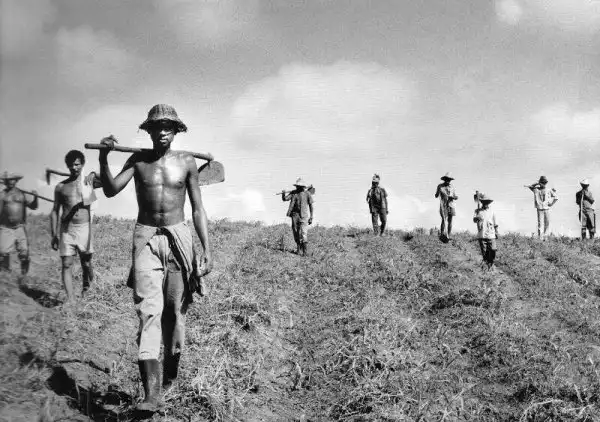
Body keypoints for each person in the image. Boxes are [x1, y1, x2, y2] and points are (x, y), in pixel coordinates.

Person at [98, 104, 212, 414]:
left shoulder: (186, 162)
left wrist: (207, 248)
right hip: (146, 238)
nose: (162, 131)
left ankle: (170, 374)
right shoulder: (137, 161)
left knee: (173, 314)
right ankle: (151, 395)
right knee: (149, 312)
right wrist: (103, 158)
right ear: (148, 131)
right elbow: (110, 190)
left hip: (178, 238)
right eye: (157, 126)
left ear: (176, 131)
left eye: (168, 126)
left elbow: (198, 208)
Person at [50, 151, 101, 302]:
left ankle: (87, 289)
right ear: (67, 165)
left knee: (86, 262)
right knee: (66, 263)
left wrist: (94, 174)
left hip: (84, 227)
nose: (74, 167)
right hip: (67, 229)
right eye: (71, 165)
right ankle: (71, 300)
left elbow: (107, 181)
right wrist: (54, 234)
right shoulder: (61, 187)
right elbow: (54, 211)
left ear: (82, 164)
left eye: (77, 164)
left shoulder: (88, 183)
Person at [0, 172, 38, 274]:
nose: (10, 182)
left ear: (16, 181)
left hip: (20, 228)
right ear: (5, 182)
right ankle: (5, 275)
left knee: (24, 253)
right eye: (8, 180)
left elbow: (34, 206)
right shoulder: (2, 194)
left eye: (12, 179)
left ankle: (24, 276)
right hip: (6, 228)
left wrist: (36, 197)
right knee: (3, 253)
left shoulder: (22, 194)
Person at [282, 178, 314, 256]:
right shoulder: (293, 193)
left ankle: (305, 252)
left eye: (299, 186)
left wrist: (311, 217)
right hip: (295, 215)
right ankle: (299, 248)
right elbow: (285, 199)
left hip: (304, 216)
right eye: (297, 186)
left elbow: (311, 205)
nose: (298, 187)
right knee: (295, 231)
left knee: (304, 233)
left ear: (302, 187)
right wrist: (283, 193)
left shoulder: (307, 194)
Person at [526, 176, 558, 241]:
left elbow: (556, 197)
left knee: (547, 223)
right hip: (539, 209)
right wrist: (537, 183)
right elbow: (530, 186)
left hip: (546, 208)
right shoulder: (536, 189)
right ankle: (540, 238)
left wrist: (551, 204)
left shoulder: (549, 190)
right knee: (540, 224)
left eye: (544, 183)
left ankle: (545, 237)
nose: (543, 184)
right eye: (542, 182)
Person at [473, 193, 499, 271]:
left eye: (487, 202)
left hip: (491, 234)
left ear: (489, 203)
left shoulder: (492, 211)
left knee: (493, 249)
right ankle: (487, 268)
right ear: (482, 202)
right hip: (482, 234)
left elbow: (495, 223)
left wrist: (496, 232)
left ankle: (491, 263)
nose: (486, 203)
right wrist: (477, 218)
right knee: (485, 253)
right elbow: (474, 220)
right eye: (484, 202)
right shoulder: (477, 211)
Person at [435, 172, 458, 242]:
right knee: (444, 219)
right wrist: (438, 193)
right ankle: (442, 234)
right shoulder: (440, 186)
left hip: (451, 205)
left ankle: (449, 235)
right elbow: (436, 195)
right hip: (444, 205)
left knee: (450, 220)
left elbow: (455, 196)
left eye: (449, 180)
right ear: (444, 179)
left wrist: (454, 197)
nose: (448, 181)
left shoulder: (452, 187)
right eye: (447, 179)